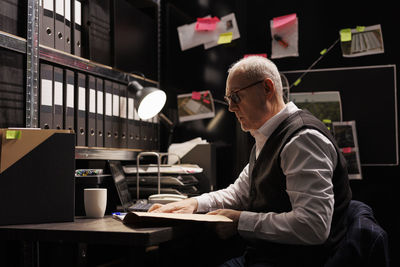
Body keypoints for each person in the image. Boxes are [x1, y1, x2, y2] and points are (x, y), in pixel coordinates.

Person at [149, 56, 352, 266]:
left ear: (267, 88)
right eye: (228, 100)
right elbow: (239, 193)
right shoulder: (268, 137)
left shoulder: (302, 139)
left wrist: (241, 221)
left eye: (235, 97)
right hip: (267, 256)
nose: (230, 108)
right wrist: (194, 203)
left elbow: (313, 226)